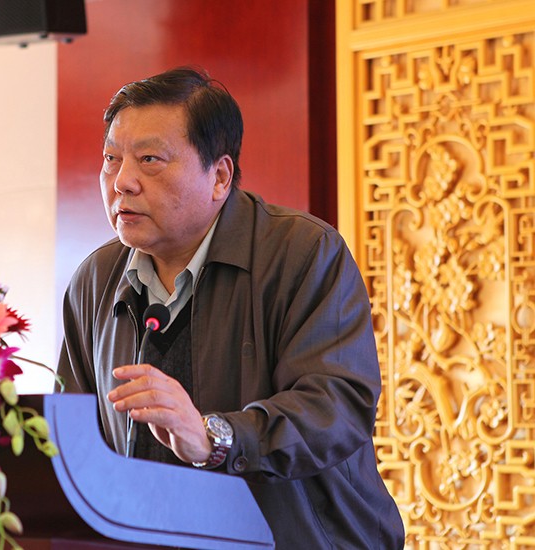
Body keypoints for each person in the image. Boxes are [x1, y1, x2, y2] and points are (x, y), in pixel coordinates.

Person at [57, 66, 404, 548]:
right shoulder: (95, 280)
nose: (122, 182)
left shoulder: (303, 253)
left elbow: (335, 407)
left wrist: (214, 437)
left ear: (219, 177)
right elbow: (72, 434)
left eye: (150, 159)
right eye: (111, 159)